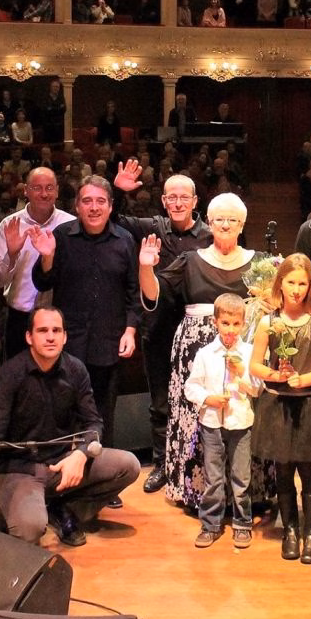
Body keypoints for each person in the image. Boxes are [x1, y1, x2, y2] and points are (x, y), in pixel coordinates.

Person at [0, 306, 141, 549]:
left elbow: (94, 423)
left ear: (65, 337)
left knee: (128, 465)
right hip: (19, 470)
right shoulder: (10, 374)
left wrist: (80, 454)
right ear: (29, 337)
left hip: (61, 464)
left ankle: (66, 509)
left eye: (56, 331)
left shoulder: (75, 369)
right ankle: (18, 507)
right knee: (30, 529)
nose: (50, 337)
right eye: (43, 330)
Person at [137, 192, 270, 508]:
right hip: (195, 350)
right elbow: (155, 293)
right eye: (219, 219)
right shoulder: (190, 260)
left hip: (243, 347)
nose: (225, 224)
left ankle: (244, 497)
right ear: (209, 223)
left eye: (232, 219)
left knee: (242, 417)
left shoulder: (260, 262)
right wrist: (145, 268)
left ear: (242, 225)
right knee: (198, 418)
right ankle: (199, 496)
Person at [112, 164, 213, 491]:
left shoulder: (211, 235)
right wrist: (119, 191)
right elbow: (113, 220)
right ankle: (162, 465)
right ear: (164, 201)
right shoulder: (151, 227)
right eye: (172, 197)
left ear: (195, 201)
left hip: (199, 334)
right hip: (157, 329)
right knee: (159, 402)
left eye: (184, 197)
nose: (178, 202)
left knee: (199, 399)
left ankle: (196, 464)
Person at [30, 176, 141, 449]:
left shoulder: (125, 240)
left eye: (100, 201)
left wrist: (130, 330)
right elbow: (43, 282)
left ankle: (102, 470)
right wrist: (46, 257)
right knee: (64, 413)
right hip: (68, 345)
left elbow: (133, 292)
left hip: (109, 343)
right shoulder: (61, 236)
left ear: (110, 206)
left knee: (103, 414)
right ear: (77, 206)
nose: (94, 207)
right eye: (87, 201)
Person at [248, 254, 311, 564]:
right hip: (278, 405)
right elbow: (255, 364)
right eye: (291, 282)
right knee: (284, 472)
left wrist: (304, 379)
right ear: (280, 284)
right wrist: (276, 375)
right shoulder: (269, 322)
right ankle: (290, 531)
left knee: (309, 472)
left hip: (310, 404)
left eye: (303, 283)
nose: (297, 290)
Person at [186, 294, 260, 549]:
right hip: (211, 424)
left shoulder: (249, 353)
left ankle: (242, 524)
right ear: (215, 322)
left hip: (240, 423)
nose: (230, 329)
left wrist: (242, 375)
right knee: (214, 478)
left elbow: (257, 389)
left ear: (243, 324)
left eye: (236, 324)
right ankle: (210, 525)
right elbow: (191, 387)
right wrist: (209, 399)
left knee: (241, 477)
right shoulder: (205, 354)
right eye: (225, 323)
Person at [0, 167, 77, 364]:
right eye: (37, 188)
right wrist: (12, 255)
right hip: (19, 318)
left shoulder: (71, 225)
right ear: (25, 190)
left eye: (49, 188)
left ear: (57, 191)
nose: (44, 194)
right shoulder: (9, 224)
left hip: (58, 318)